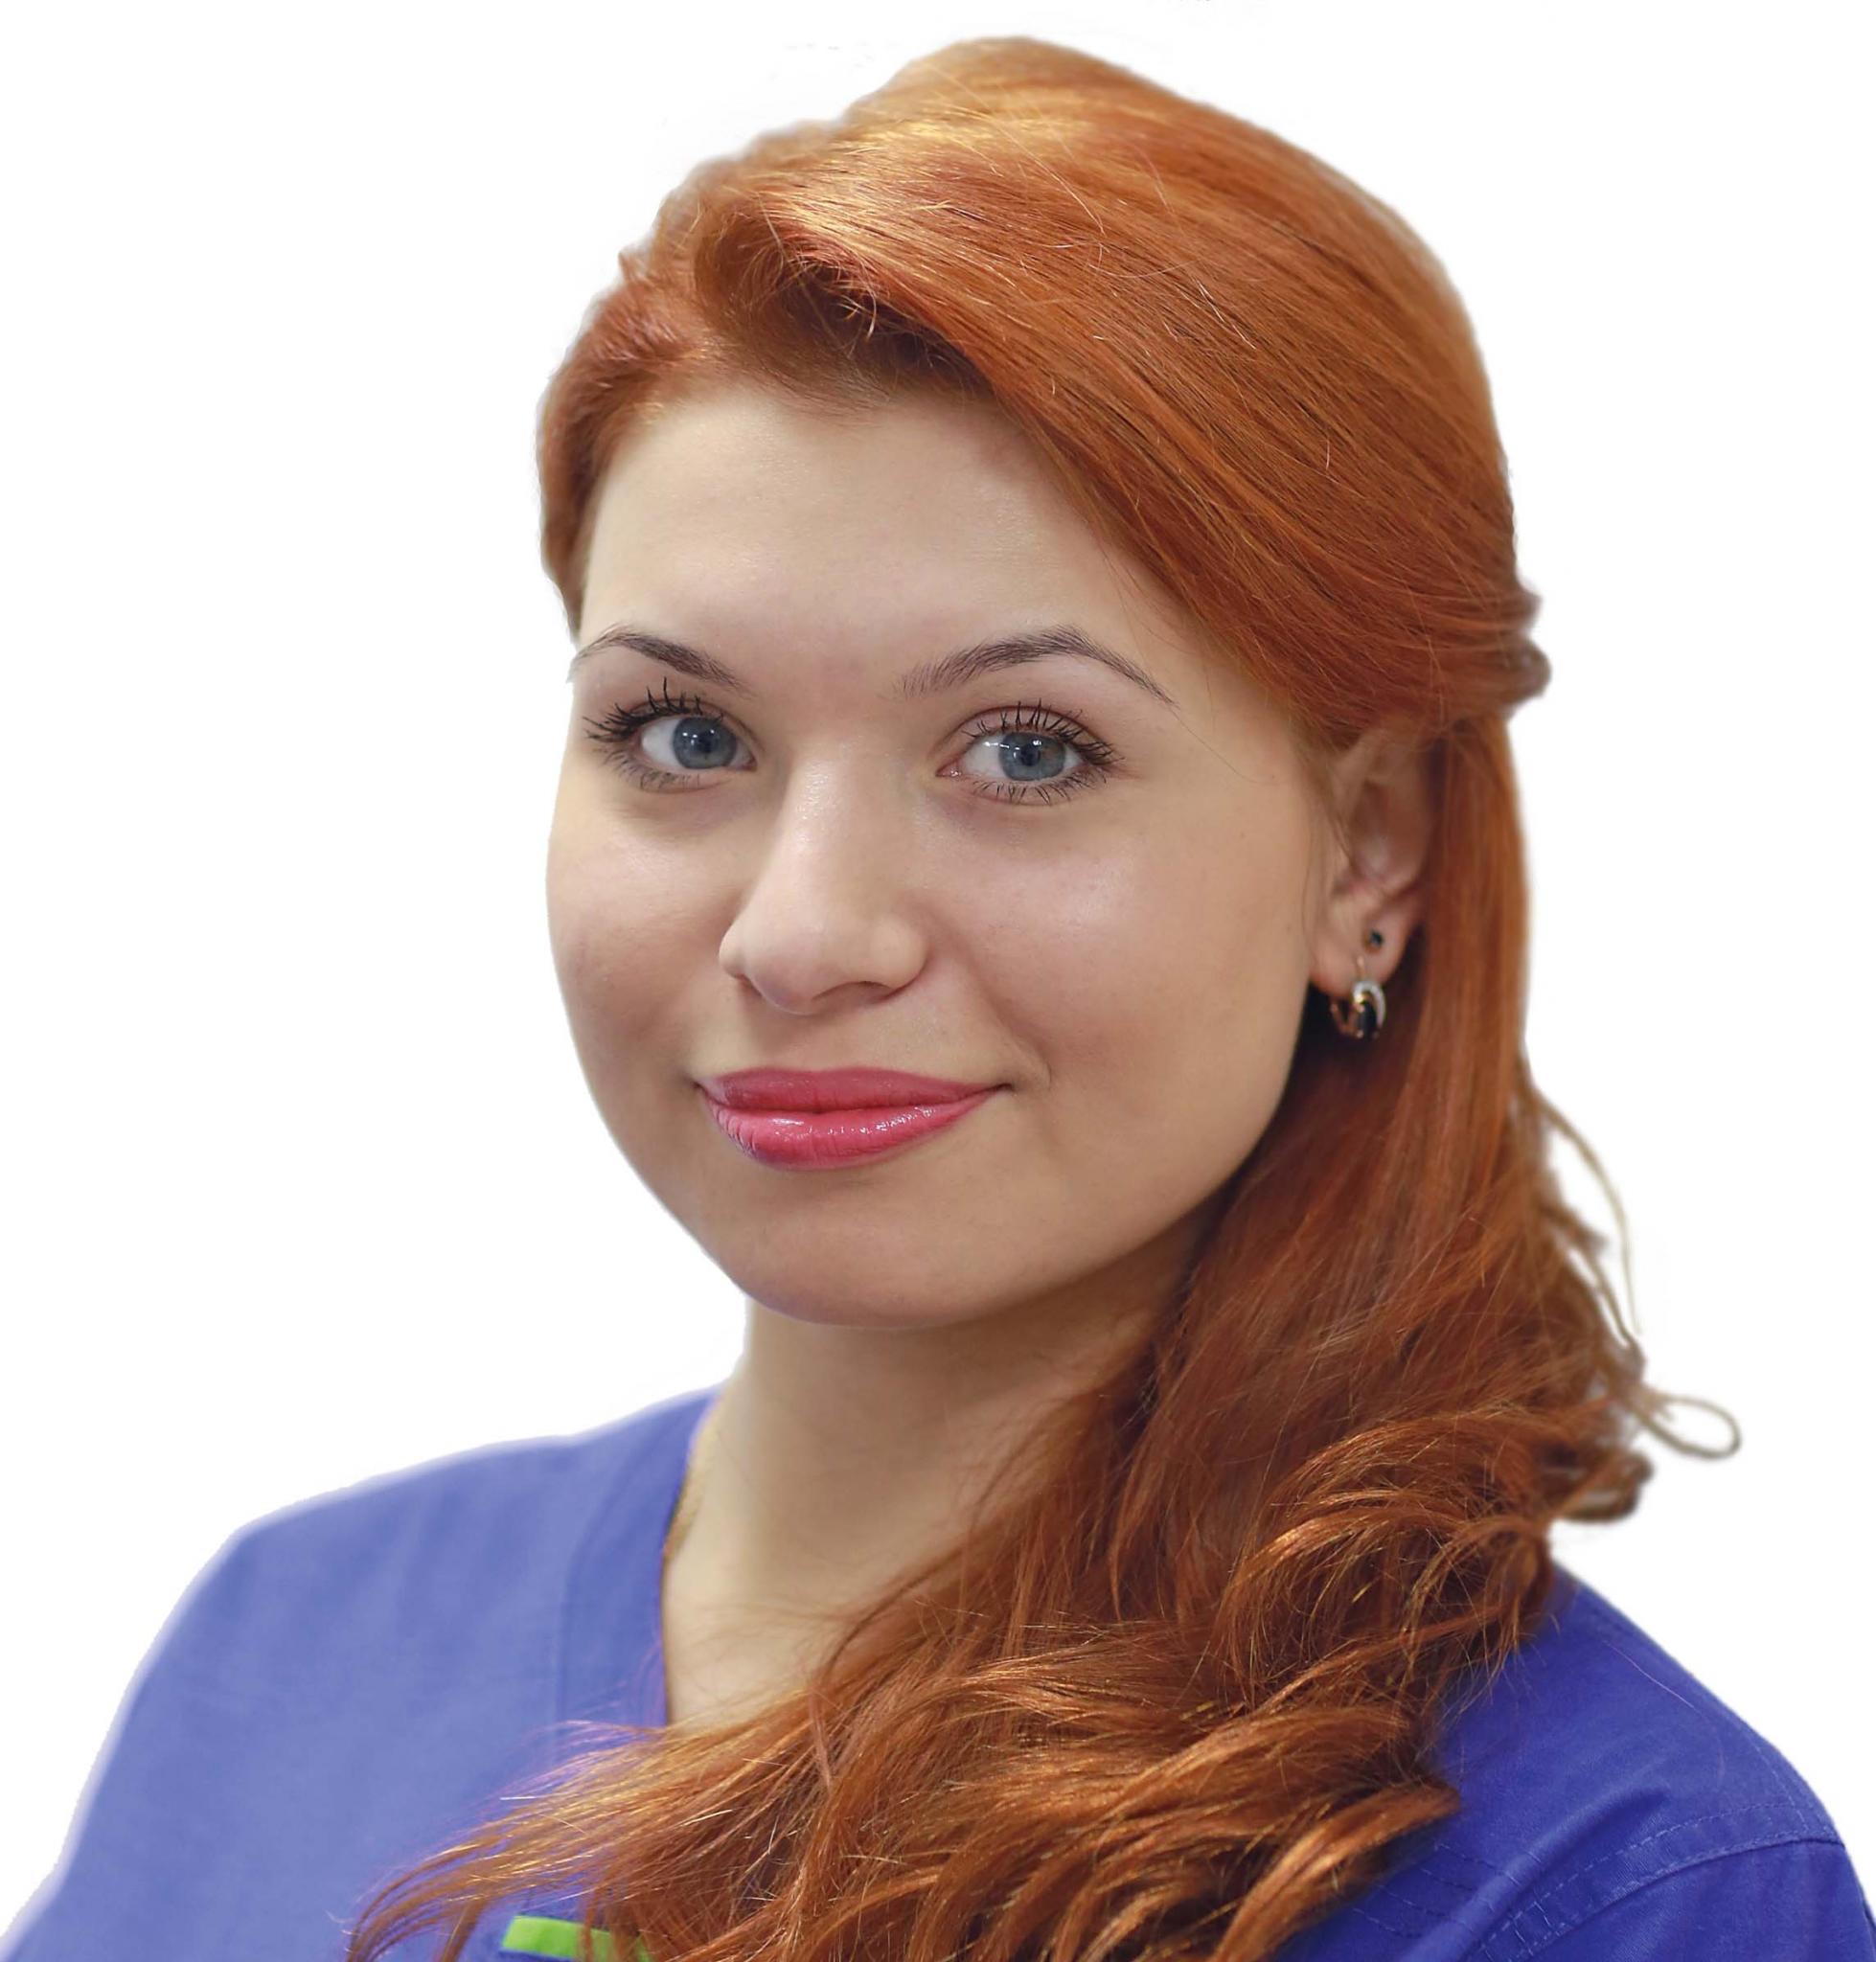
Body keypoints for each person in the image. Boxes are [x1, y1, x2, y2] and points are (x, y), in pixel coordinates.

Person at [6, 33, 1870, 1962]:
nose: (802, 931)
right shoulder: (284, 1652)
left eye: (1027, 751)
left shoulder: (1607, 1885)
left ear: (1368, 853)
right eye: (685, 732)